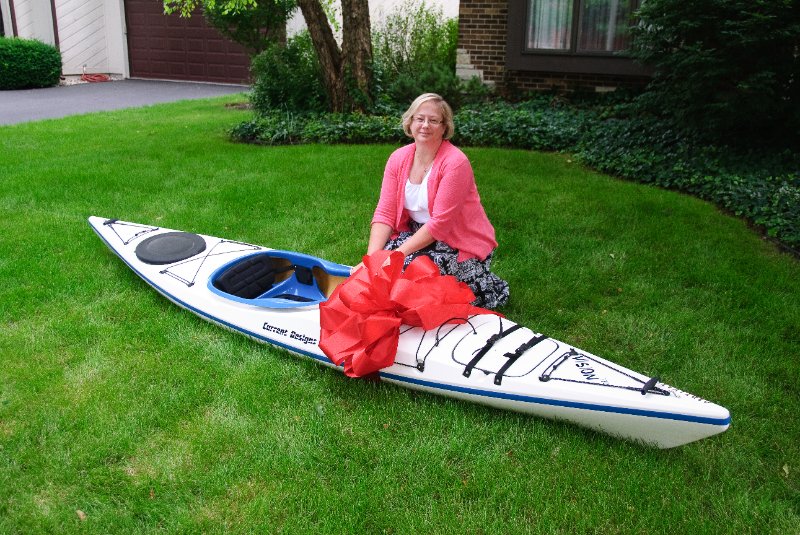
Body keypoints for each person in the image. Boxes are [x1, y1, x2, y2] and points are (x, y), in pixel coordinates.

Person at [353, 93, 509, 309]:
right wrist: (372, 259)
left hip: (456, 240)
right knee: (382, 269)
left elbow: (440, 224)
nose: (425, 125)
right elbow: (385, 213)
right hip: (418, 233)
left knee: (408, 273)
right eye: (420, 119)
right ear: (410, 122)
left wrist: (395, 257)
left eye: (433, 120)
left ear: (444, 127)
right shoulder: (398, 158)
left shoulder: (455, 163)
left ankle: (484, 286)